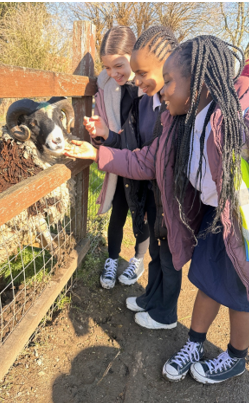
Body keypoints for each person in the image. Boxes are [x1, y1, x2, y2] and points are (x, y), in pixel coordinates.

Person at [68, 35, 249, 384]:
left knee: (241, 293)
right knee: (208, 282)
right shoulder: (178, 122)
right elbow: (146, 160)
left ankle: (236, 357)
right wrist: (97, 154)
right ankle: (194, 343)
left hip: (243, 219)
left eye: (169, 82)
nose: (162, 91)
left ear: (201, 84)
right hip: (215, 217)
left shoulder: (237, 115)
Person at [89, 26, 183, 331]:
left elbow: (150, 159)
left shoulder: (172, 107)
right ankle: (150, 298)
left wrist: (98, 155)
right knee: (156, 249)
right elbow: (133, 146)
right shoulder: (145, 101)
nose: (138, 82)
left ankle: (166, 314)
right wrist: (107, 137)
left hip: (169, 191)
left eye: (141, 73)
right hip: (152, 187)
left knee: (168, 254)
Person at [92, 26, 151, 290]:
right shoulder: (106, 91)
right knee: (118, 212)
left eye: (118, 65)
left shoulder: (147, 90)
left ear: (133, 57)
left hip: (144, 164)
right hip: (119, 162)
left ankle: (138, 258)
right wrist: (98, 135)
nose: (113, 73)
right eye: (106, 68)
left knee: (144, 216)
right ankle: (112, 258)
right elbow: (105, 128)